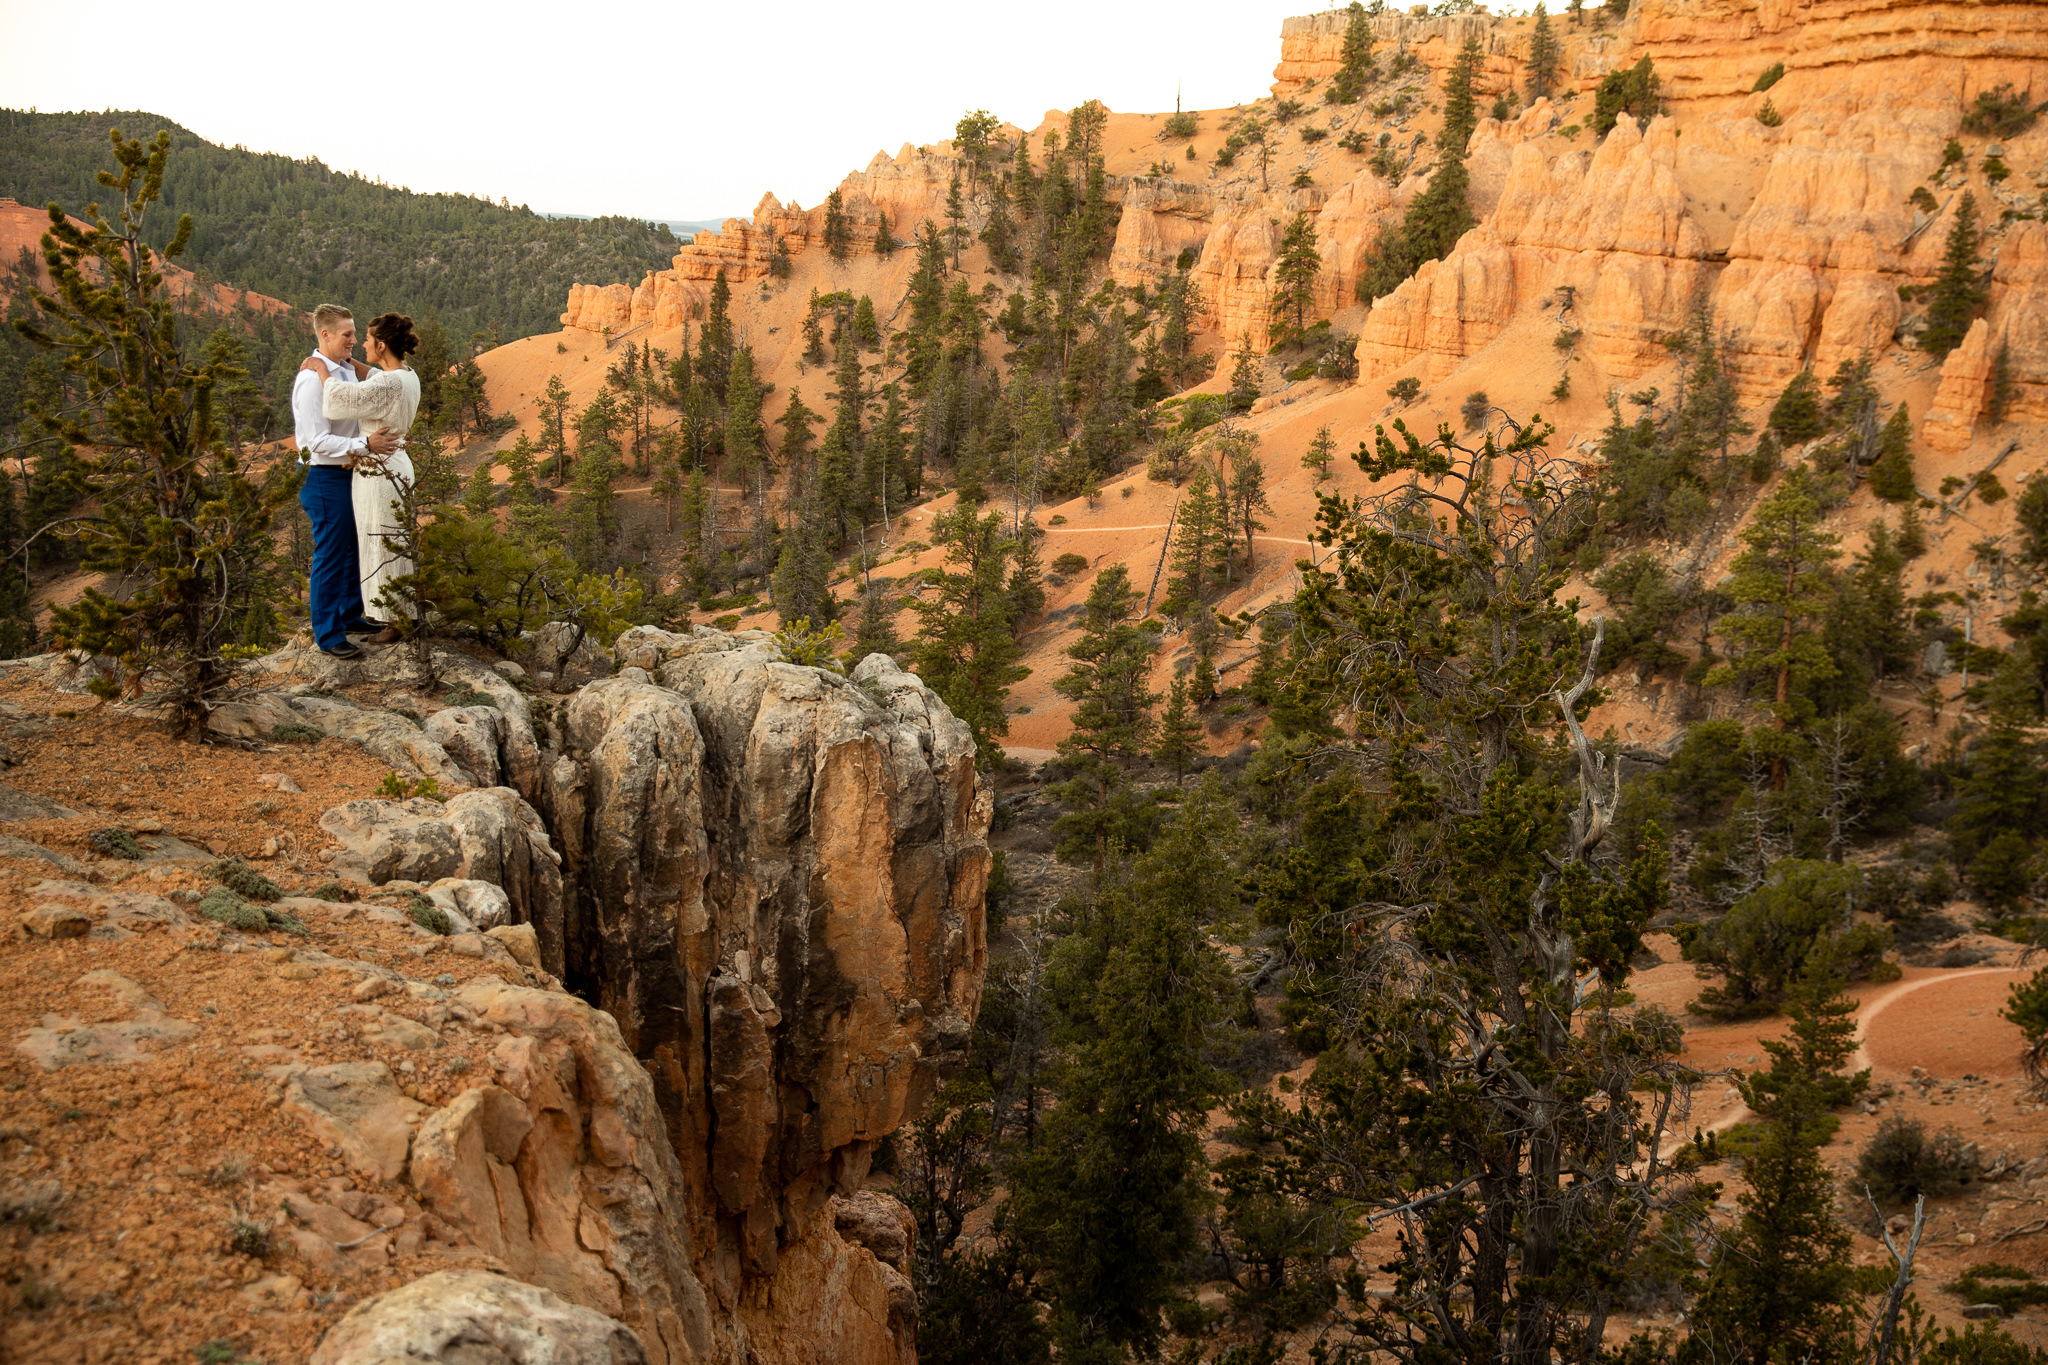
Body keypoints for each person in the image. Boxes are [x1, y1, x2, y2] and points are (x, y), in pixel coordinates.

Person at [303, 313, 421, 645]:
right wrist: (353, 362)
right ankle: (399, 614)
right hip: (396, 463)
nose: (361, 343)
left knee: (381, 542)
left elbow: (342, 400)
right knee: (394, 540)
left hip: (379, 469)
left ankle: (395, 619)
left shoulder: (386, 383)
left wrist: (322, 368)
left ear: (381, 345)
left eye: (367, 339)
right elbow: (376, 379)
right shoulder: (407, 376)